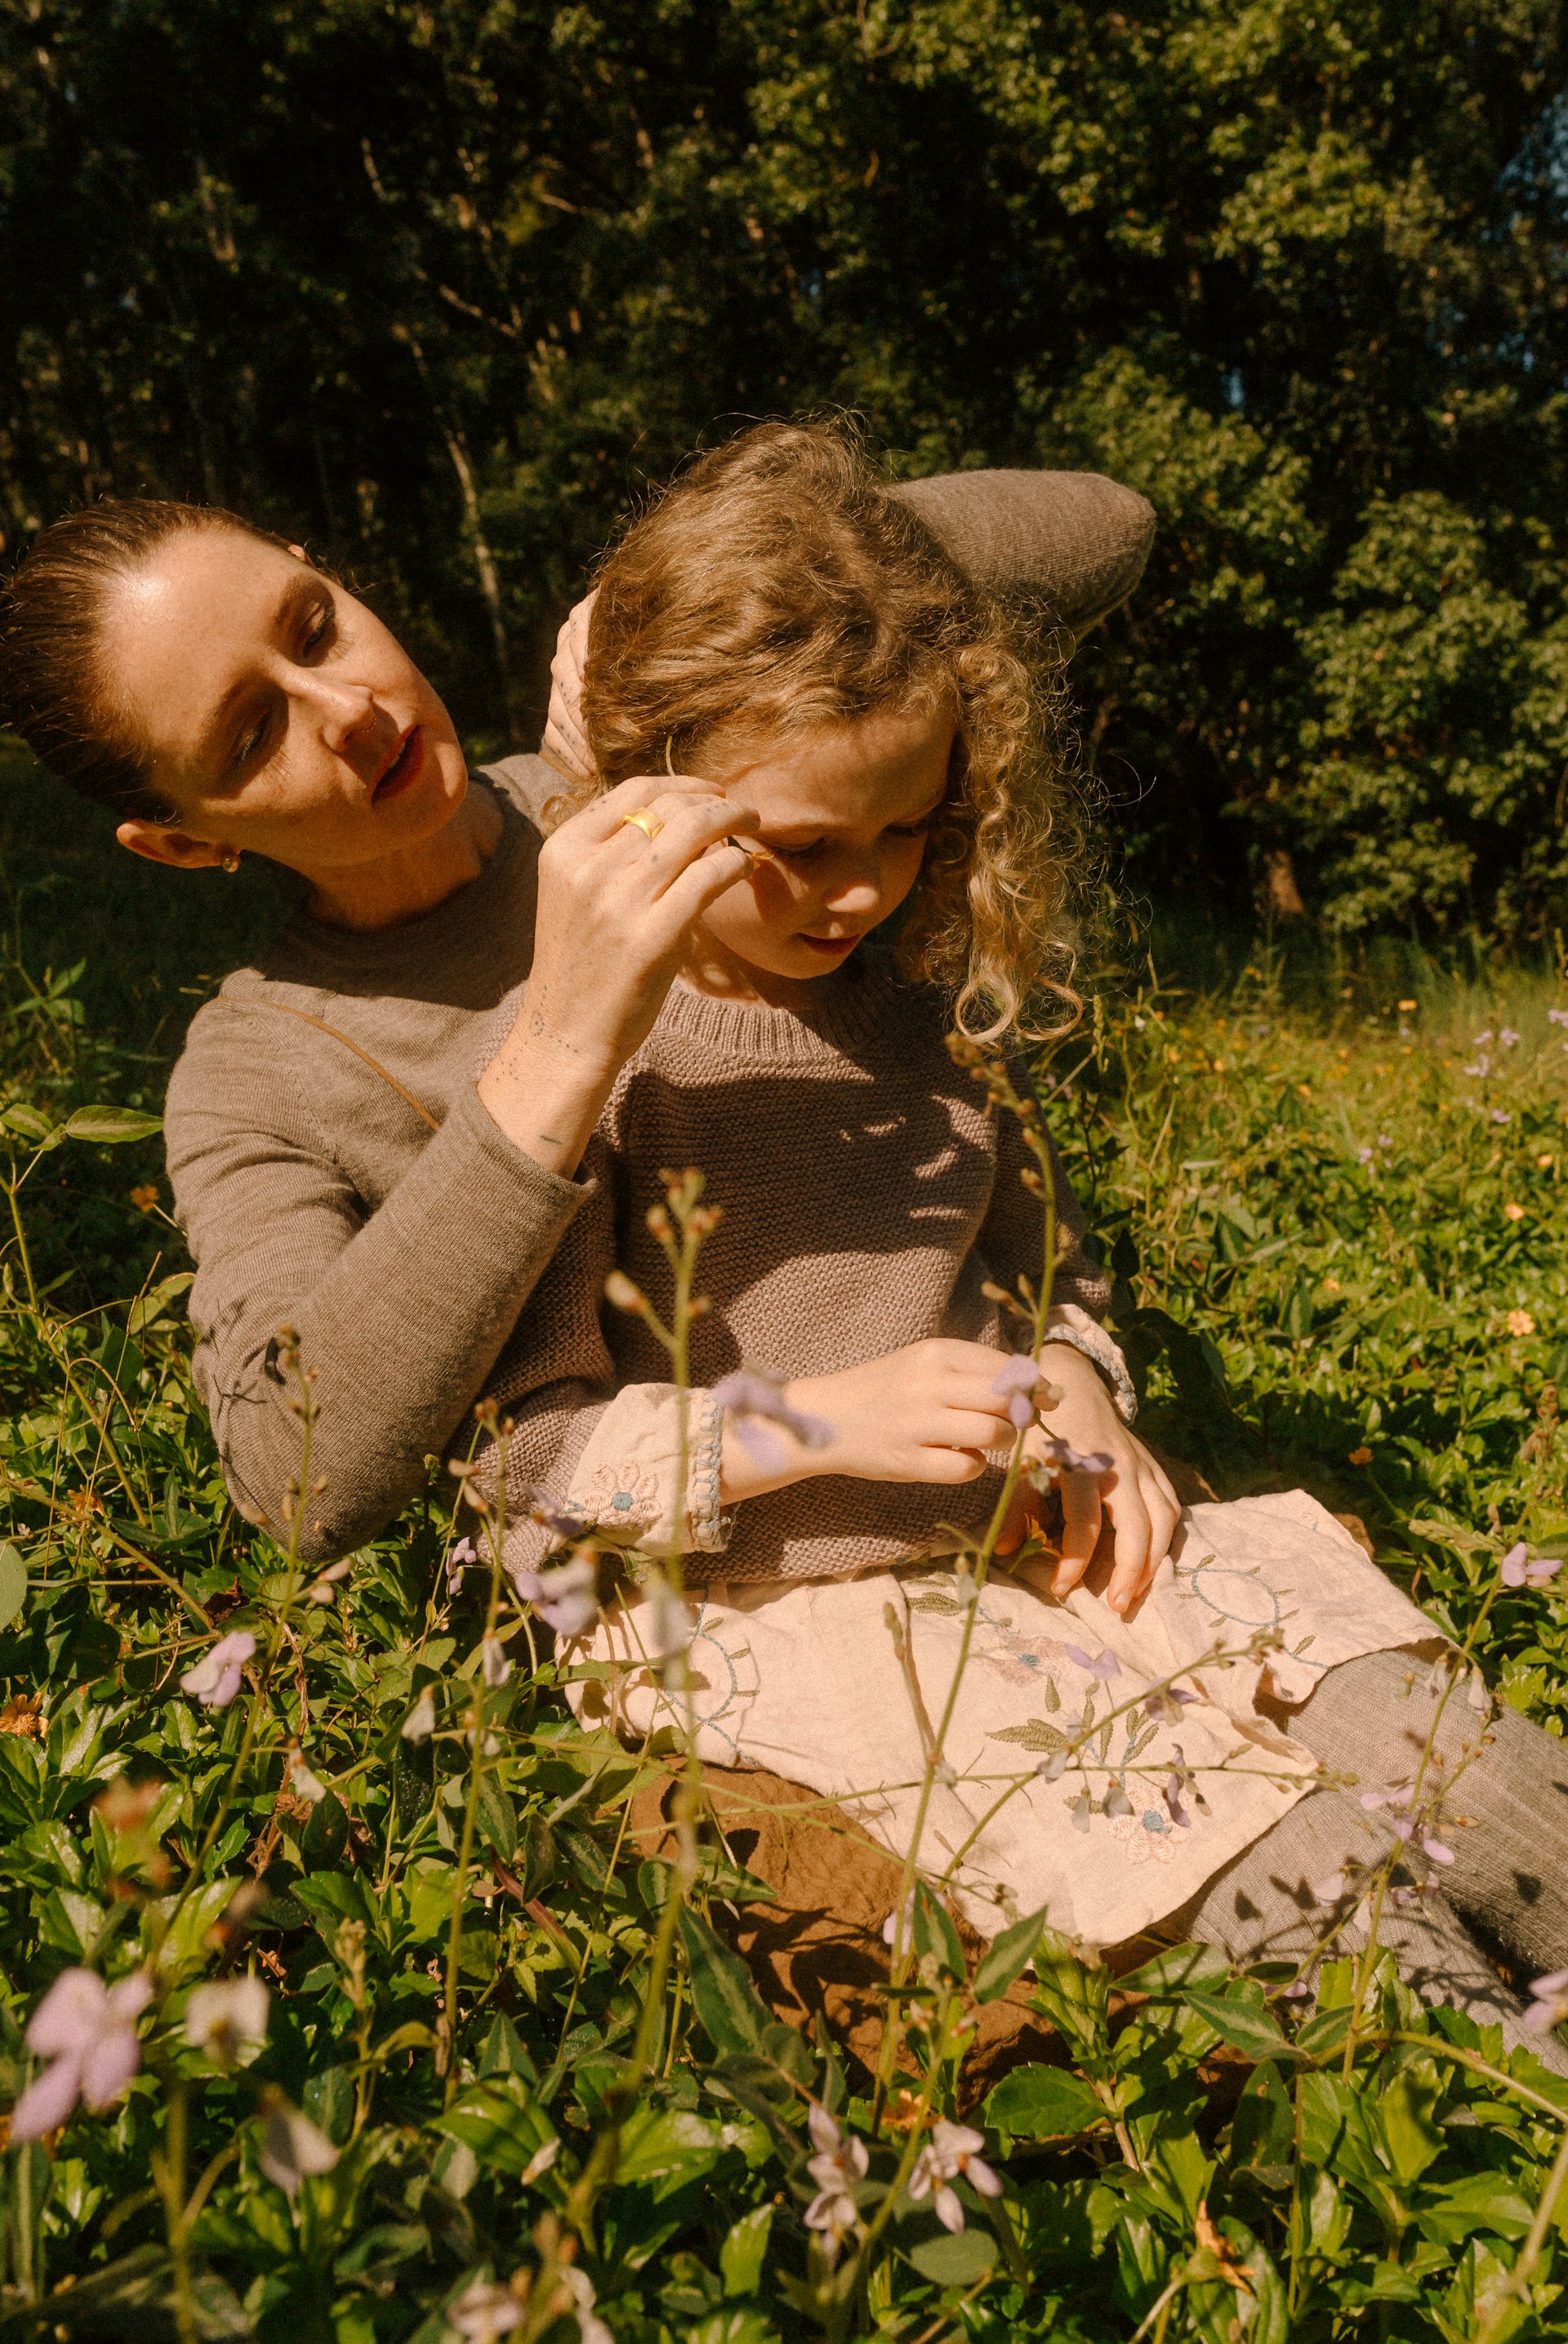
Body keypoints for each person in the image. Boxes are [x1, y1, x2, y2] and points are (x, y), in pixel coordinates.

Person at [474, 420, 1568, 2065]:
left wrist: (1076, 1375)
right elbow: (528, 1465)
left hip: (1053, 1550)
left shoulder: (924, 1009)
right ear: (647, 793)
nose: (857, 893)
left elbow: (1053, 1268)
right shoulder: (585, 1057)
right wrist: (814, 1421)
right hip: (796, 1620)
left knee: (1475, 1779)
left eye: (907, 829)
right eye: (801, 847)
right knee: (1344, 1907)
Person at [0, 454, 1152, 1558]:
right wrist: (553, 1053)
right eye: (252, 732)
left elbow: (1111, 527)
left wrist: (723, 583)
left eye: (315, 625)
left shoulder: (643, 770)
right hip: (712, 1601)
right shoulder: (260, 1073)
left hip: (1010, 1501)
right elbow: (292, 1477)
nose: (347, 709)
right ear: (185, 842)